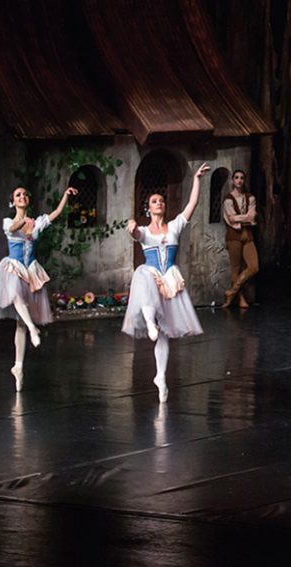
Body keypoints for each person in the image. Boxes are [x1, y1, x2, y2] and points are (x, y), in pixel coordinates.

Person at [123, 164, 209, 403]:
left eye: (161, 200)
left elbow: (192, 205)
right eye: (154, 201)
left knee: (165, 333)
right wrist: (131, 227)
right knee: (143, 276)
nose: (159, 203)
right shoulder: (144, 231)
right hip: (151, 275)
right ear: (148, 208)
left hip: (170, 278)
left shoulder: (174, 227)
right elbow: (136, 235)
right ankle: (150, 323)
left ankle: (160, 377)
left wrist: (196, 179)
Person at [0, 185, 77, 391]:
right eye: (18, 195)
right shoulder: (8, 221)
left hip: (30, 270)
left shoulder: (36, 222)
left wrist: (65, 196)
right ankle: (34, 329)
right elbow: (13, 229)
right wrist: (25, 222)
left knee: (20, 324)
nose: (22, 196)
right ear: (13, 202)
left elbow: (55, 213)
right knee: (16, 296)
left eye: (25, 194)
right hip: (13, 268)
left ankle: (18, 367)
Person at [221, 170, 259, 308]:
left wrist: (241, 219)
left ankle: (232, 291)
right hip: (234, 235)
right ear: (232, 180)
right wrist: (246, 218)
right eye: (236, 177)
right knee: (236, 268)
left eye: (242, 178)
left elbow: (252, 216)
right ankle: (240, 299)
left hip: (247, 234)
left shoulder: (250, 198)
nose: (239, 180)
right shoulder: (228, 199)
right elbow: (231, 218)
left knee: (253, 266)